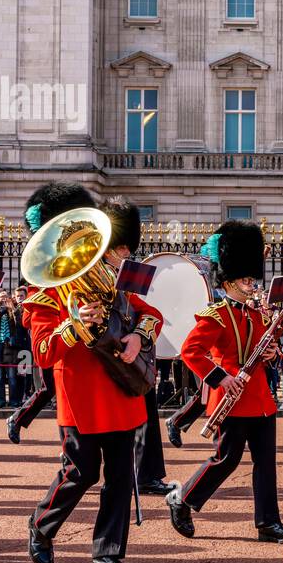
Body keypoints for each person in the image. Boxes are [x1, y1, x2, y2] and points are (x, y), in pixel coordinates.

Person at [25, 181, 164, 563]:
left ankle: (106, 556)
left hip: (120, 390)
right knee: (80, 472)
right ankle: (42, 525)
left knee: (121, 477)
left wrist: (139, 336)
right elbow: (43, 353)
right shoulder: (46, 295)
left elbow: (151, 315)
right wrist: (73, 325)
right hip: (81, 395)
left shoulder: (115, 284)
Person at [167, 220, 283, 543]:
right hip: (232, 399)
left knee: (266, 462)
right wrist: (221, 378)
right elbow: (191, 352)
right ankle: (183, 499)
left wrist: (271, 353)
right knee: (227, 459)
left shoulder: (255, 314)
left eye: (252, 277)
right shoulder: (216, 315)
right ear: (228, 280)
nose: (251, 283)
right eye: (245, 278)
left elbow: (263, 348)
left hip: (260, 398)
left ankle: (268, 521)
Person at [6, 183, 95, 445]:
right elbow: (28, 318)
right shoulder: (40, 271)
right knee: (48, 388)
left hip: (75, 342)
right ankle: (19, 418)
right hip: (54, 337)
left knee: (56, 390)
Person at [100, 200, 174, 498]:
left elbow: (151, 314)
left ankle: (148, 474)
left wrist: (139, 337)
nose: (127, 253)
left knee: (146, 414)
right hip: (102, 363)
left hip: (128, 360)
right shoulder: (93, 277)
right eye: (121, 248)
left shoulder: (122, 279)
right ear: (107, 248)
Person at [0, 290, 25, 408]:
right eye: (1, 297)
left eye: (5, 297)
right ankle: (0, 401)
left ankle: (14, 401)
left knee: (12, 375)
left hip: (11, 346)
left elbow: (19, 324)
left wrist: (12, 309)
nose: (3, 299)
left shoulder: (14, 310)